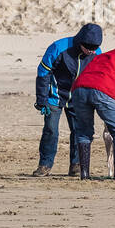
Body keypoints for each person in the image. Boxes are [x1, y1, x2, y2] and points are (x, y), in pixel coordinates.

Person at [33, 23, 103, 176]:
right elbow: (43, 72)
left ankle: (76, 165)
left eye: (95, 47)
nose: (91, 51)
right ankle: (45, 165)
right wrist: (41, 100)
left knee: (80, 131)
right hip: (55, 97)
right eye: (88, 47)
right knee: (51, 131)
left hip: (79, 98)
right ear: (80, 41)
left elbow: (98, 77)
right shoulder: (59, 47)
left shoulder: (97, 52)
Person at [70, 40, 115, 181]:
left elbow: (97, 75)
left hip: (78, 90)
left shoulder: (103, 56)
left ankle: (84, 174)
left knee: (84, 132)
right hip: (102, 92)